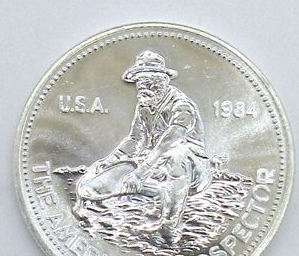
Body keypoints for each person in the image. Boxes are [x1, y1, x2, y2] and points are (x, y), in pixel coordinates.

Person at [74, 50, 212, 245]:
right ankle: (156, 195)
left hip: (192, 171)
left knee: (176, 154)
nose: (142, 88)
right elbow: (135, 140)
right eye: (140, 83)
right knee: (104, 175)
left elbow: (171, 140)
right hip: (156, 166)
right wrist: (109, 161)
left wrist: (140, 174)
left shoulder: (182, 106)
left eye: (148, 82)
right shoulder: (144, 107)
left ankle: (170, 228)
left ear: (162, 82)